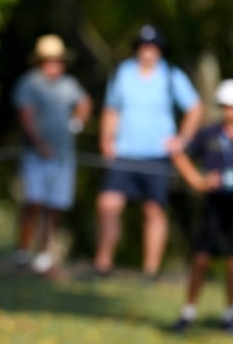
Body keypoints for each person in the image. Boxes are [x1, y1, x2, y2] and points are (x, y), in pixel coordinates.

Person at [92, 24, 203, 280]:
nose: (147, 52)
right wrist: (106, 139)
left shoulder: (171, 76)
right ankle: (102, 265)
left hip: (157, 154)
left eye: (152, 47)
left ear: (160, 50)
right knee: (108, 204)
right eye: (143, 46)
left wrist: (182, 139)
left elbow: (195, 108)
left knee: (153, 210)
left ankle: (150, 271)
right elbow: (112, 109)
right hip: (124, 151)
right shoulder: (124, 73)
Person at [11, 34, 92, 275]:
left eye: (58, 60)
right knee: (33, 202)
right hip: (36, 155)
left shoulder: (69, 84)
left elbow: (85, 103)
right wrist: (39, 144)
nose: (55, 64)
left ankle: (45, 256)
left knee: (55, 206)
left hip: (63, 156)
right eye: (50, 60)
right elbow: (26, 116)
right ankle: (23, 252)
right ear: (41, 61)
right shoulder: (30, 82)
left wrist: (77, 122)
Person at [169, 79, 233, 333]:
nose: (230, 111)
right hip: (214, 205)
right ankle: (188, 312)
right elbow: (179, 154)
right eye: (226, 106)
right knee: (200, 259)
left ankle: (230, 314)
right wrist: (197, 180)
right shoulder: (208, 135)